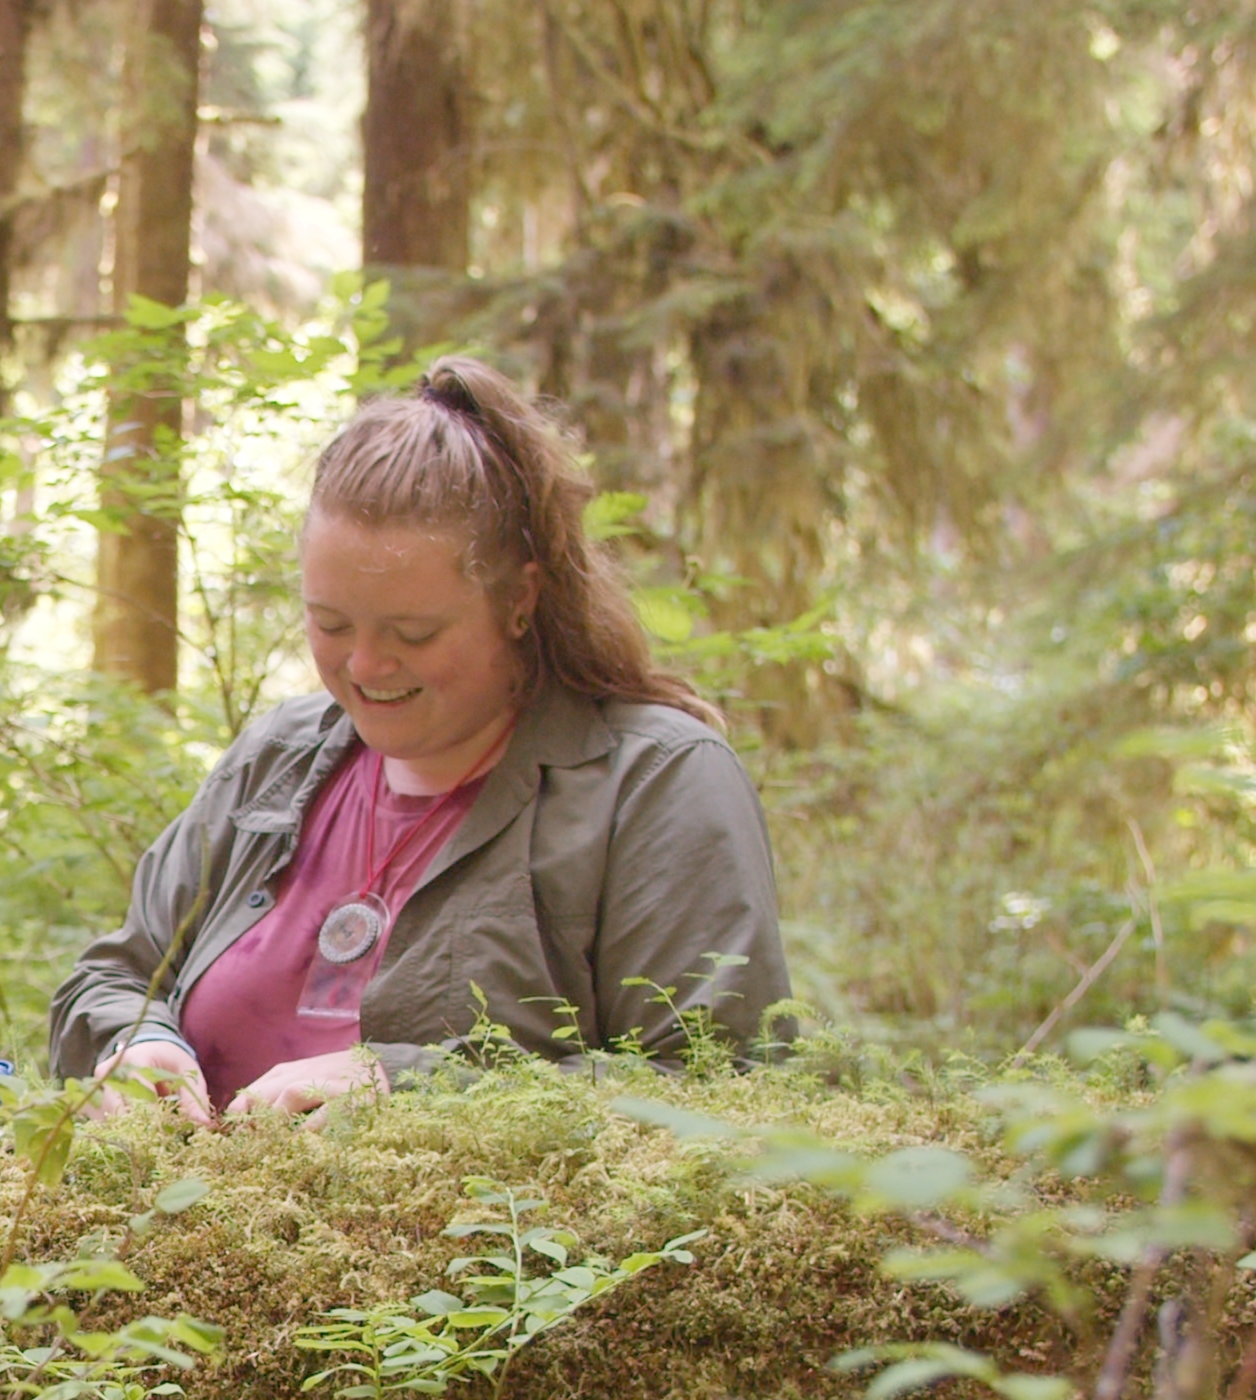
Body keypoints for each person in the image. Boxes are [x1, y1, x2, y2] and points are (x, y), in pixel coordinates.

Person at [48, 355, 791, 1117]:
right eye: (330, 623)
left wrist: (409, 1089)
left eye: (414, 632)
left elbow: (718, 1091)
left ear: (520, 599)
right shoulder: (279, 757)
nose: (365, 666)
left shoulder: (652, 784)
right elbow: (116, 976)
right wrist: (136, 1045)